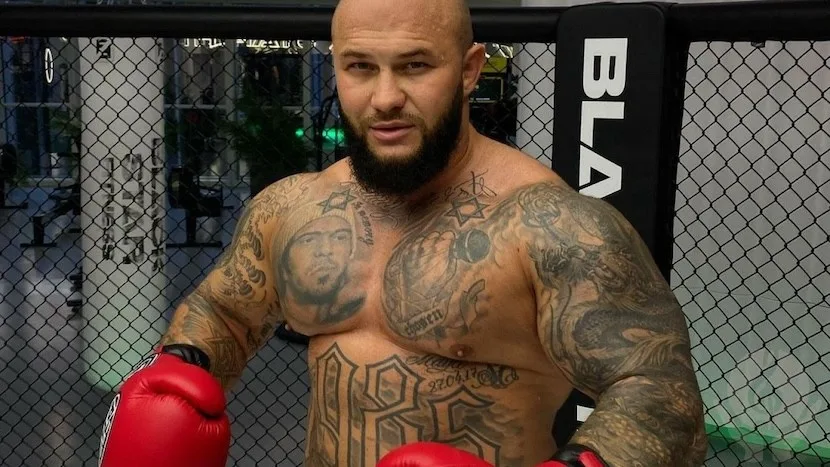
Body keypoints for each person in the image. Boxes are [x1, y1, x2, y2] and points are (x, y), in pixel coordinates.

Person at [97, 0, 708, 465]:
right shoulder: (292, 208)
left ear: (469, 70)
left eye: (415, 66)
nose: (385, 97)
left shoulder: (550, 226)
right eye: (360, 67)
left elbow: (659, 391)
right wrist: (186, 364)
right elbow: (225, 311)